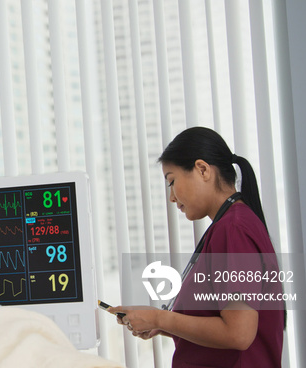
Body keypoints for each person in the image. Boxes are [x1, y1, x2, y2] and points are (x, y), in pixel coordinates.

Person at [109, 127, 285, 367]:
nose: (171, 197)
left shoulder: (233, 229)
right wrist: (161, 325)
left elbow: (238, 333)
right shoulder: (231, 225)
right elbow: (221, 325)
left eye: (172, 181)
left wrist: (161, 317)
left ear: (202, 170)